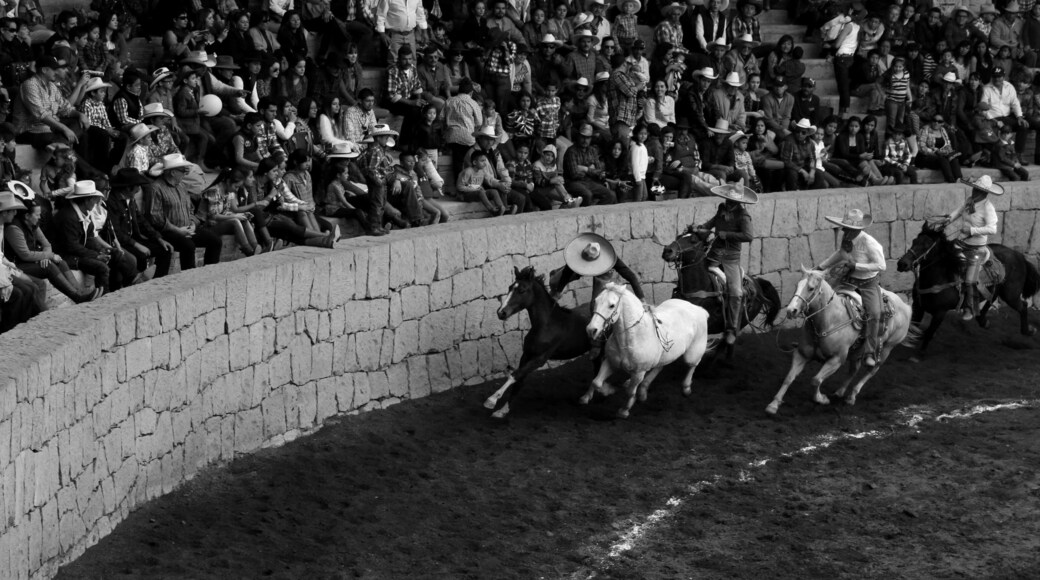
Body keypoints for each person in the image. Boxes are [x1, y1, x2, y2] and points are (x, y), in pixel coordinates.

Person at [3, 185, 102, 304]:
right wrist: (47, 256)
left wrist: (45, 255)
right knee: (49, 267)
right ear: (27, 216)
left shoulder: (33, 224)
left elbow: (47, 244)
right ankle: (76, 296)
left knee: (61, 262)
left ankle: (79, 292)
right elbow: (25, 255)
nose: (40, 217)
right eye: (37, 215)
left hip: (30, 260)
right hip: (17, 264)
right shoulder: (14, 228)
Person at [549, 232, 644, 356]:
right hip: (581, 262)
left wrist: (641, 298)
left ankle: (596, 344)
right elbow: (566, 273)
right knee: (555, 279)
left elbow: (630, 276)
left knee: (596, 304)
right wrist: (557, 292)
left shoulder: (610, 259)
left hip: (603, 272)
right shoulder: (580, 256)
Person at [688, 179, 756, 344]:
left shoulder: (744, 216)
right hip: (714, 252)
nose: (727, 201)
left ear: (737, 201)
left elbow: (748, 236)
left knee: (736, 293)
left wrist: (728, 234)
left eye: (730, 199)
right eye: (726, 198)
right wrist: (698, 228)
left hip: (730, 258)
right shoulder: (721, 208)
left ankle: (732, 328)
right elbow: (712, 223)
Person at [816, 208, 886, 367]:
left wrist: (857, 265)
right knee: (825, 300)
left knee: (875, 314)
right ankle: (817, 338)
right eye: (844, 228)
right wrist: (821, 267)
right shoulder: (847, 239)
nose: (844, 231)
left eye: (847, 229)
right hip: (849, 279)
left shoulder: (869, 243)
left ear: (857, 229)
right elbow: (840, 254)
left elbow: (881, 265)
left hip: (868, 284)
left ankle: (870, 352)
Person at [51, 180, 138, 293]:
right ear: (87, 200)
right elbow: (72, 247)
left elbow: (91, 237)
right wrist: (96, 255)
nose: (96, 202)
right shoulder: (68, 217)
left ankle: (124, 284)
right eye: (94, 199)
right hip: (66, 255)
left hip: (80, 250)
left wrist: (103, 250)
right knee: (102, 268)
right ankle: (104, 296)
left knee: (115, 254)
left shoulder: (84, 212)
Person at [147, 153, 225, 270]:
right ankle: (188, 278)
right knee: (188, 246)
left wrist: (193, 224)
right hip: (168, 231)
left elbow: (191, 209)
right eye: (183, 170)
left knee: (215, 241)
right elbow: (156, 217)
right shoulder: (156, 188)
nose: (185, 173)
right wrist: (178, 230)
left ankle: (209, 274)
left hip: (187, 228)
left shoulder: (182, 186)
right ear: (173, 172)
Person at [942, 175, 1002, 321]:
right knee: (944, 258)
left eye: (977, 190)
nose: (974, 192)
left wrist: (972, 231)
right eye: (974, 188)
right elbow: (958, 211)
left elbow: (992, 229)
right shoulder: (970, 200)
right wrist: (947, 219)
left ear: (984, 193)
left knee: (969, 280)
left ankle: (969, 307)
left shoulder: (988, 208)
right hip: (961, 242)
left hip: (977, 249)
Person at [106, 168, 174, 280]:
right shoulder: (112, 202)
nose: (139, 189)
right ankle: (137, 285)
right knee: (140, 256)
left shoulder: (130, 199)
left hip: (134, 239)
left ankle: (157, 282)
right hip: (122, 243)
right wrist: (137, 245)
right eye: (137, 186)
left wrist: (158, 238)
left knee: (164, 250)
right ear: (128, 187)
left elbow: (141, 221)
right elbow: (116, 232)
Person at [0, 190, 40, 330]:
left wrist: (9, 265)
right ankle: (8, 330)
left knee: (30, 288)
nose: (15, 214)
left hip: (2, 269)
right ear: (4, 213)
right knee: (17, 294)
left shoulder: (2, 225)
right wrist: (5, 282)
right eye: (12, 211)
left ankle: (23, 326)